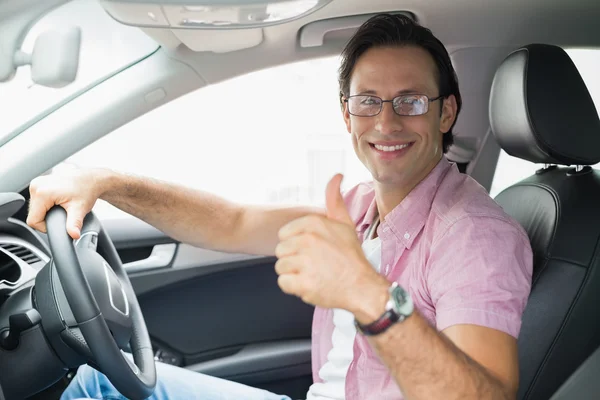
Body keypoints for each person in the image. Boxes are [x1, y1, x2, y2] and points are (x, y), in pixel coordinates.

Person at [27, 13, 532, 400]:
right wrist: (107, 181)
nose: (386, 123)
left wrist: (368, 296)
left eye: (411, 101)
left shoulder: (474, 235)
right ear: (346, 114)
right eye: (368, 101)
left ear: (446, 112)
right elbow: (233, 222)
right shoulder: (358, 207)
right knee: (99, 383)